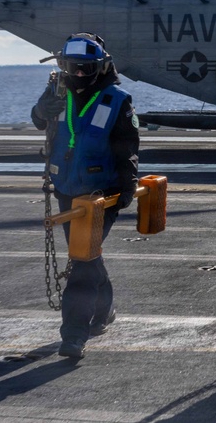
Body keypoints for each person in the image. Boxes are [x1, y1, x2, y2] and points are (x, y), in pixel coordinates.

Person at [31, 33, 140, 360]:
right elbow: (39, 121)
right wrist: (40, 110)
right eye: (72, 67)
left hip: (101, 195)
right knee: (87, 255)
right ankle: (104, 309)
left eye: (86, 68)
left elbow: (127, 147)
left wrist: (128, 186)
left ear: (101, 67)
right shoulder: (56, 92)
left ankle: (74, 333)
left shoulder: (117, 100)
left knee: (81, 260)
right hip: (66, 189)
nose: (78, 74)